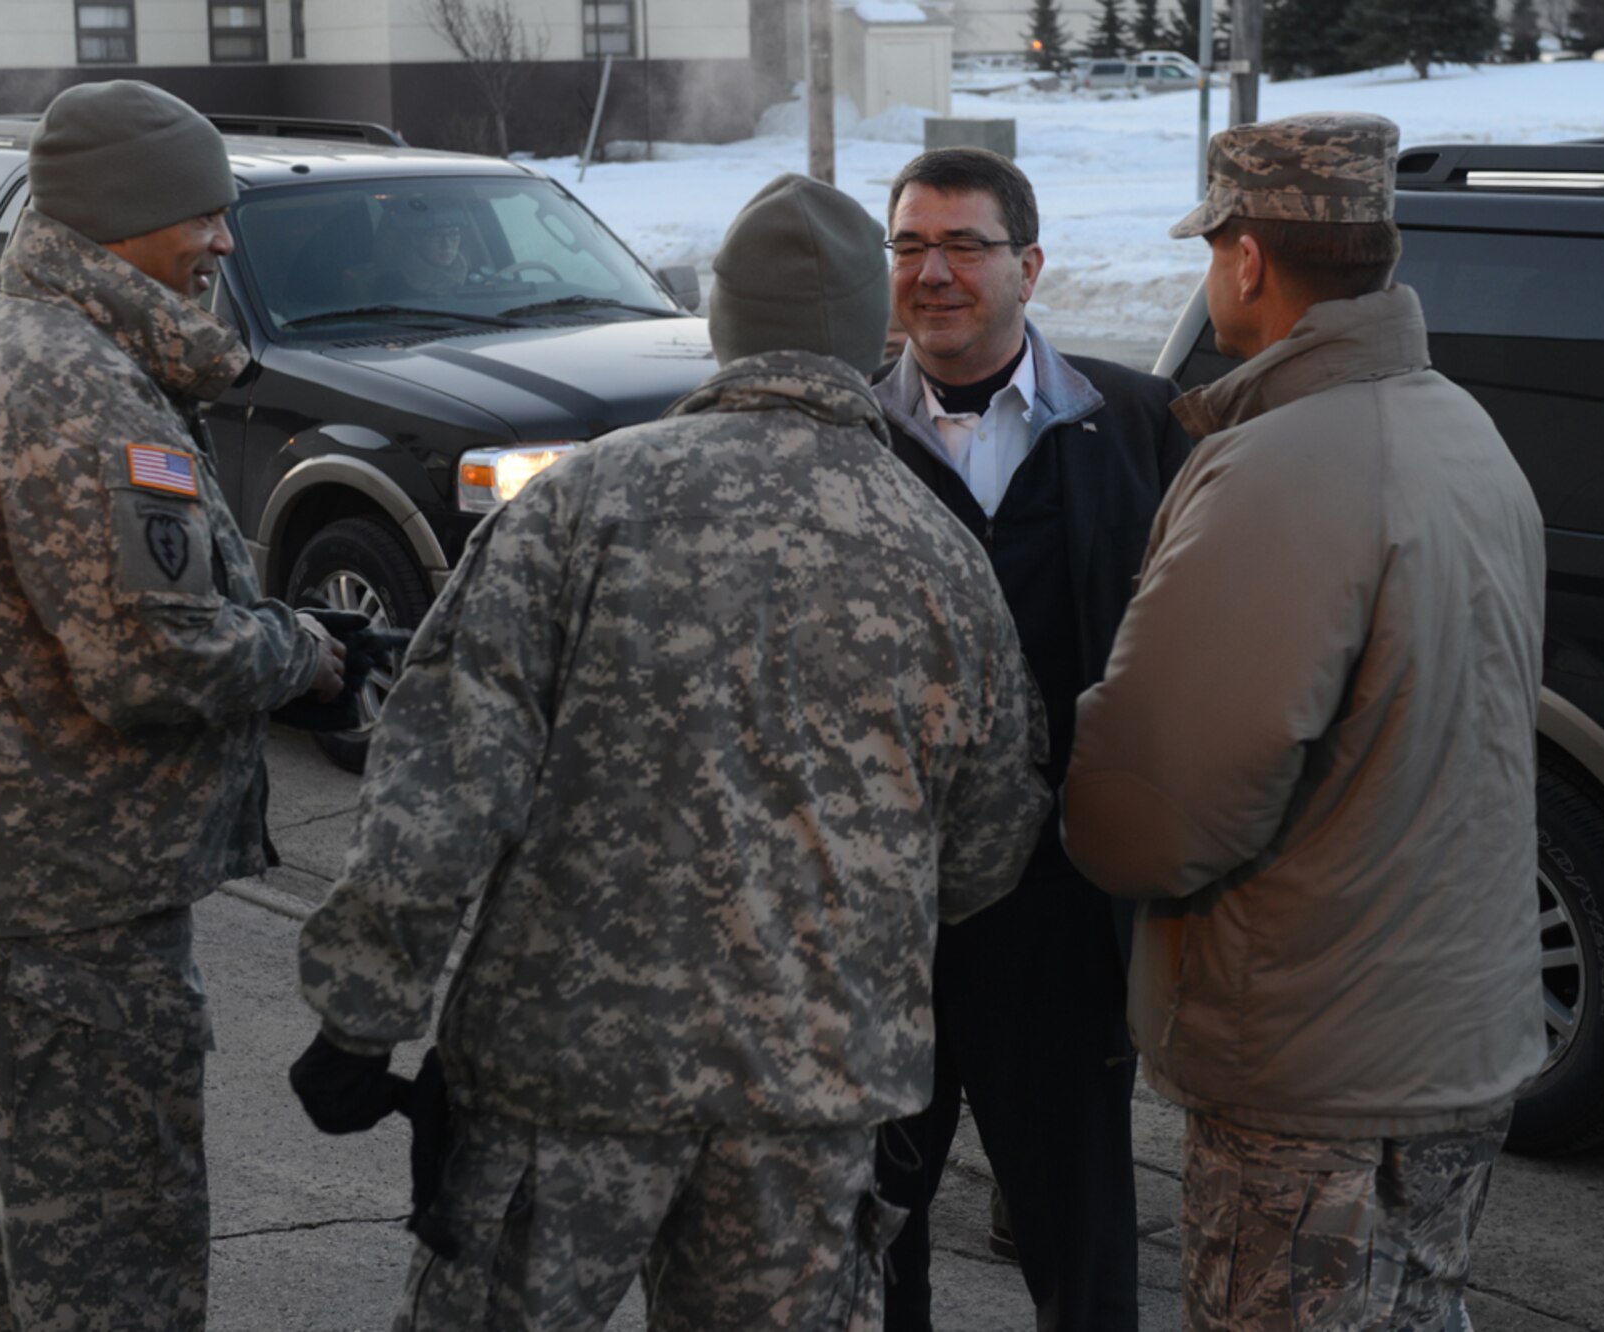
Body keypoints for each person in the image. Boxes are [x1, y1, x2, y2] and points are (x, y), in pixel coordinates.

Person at [287, 173, 1052, 1331]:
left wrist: (359, 1020)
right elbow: (990, 841)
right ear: (869, 330)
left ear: (721, 323)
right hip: (809, 1095)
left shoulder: (576, 506)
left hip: (565, 1078)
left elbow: (437, 794)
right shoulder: (941, 557)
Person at [1063, 113, 1547, 1331]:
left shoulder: (1282, 465)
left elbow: (1155, 815)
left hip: (1310, 1068)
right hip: (1455, 1039)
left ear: (1245, 259)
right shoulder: (1463, 433)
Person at [0, 80, 346, 1330]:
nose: (220, 239)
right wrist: (297, 650)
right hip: (72, 908)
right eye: (201, 213)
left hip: (42, 891)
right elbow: (153, 666)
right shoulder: (72, 384)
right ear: (125, 219)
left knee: (47, 1253)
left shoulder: (37, 352)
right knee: (114, 1271)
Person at [869, 146, 1193, 1331]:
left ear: (1029, 265)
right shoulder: (847, 434)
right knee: (871, 1235)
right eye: (908, 245)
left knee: (1081, 1239)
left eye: (963, 245)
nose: (932, 273)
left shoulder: (1140, 426)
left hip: (1058, 922)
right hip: (879, 918)